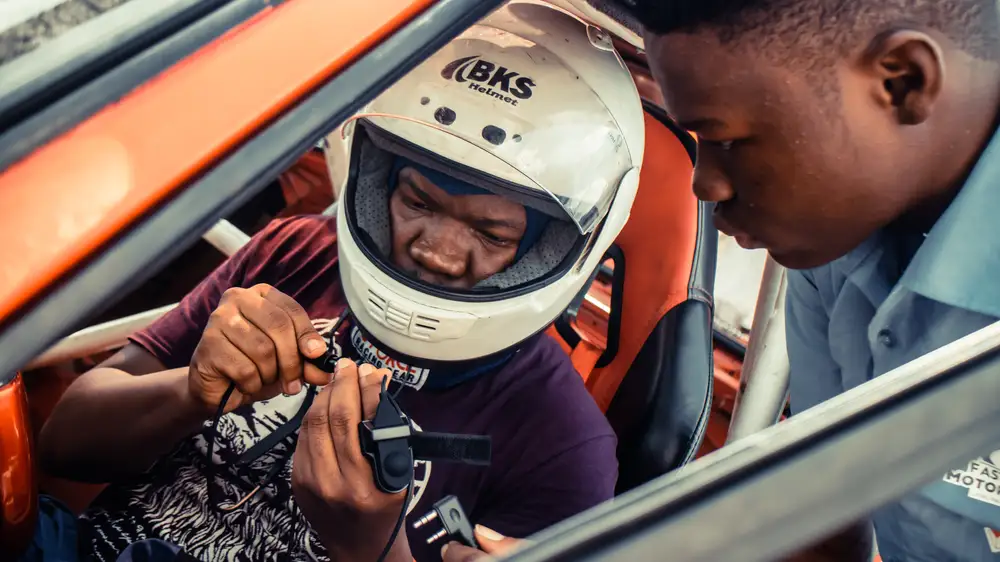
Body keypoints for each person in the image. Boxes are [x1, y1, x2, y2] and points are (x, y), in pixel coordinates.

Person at [36, 3, 646, 562]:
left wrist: (372, 551)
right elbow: (63, 444)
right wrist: (188, 394)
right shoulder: (293, 253)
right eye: (417, 200)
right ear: (379, 183)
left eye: (490, 233)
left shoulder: (562, 445)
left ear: (549, 250)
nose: (437, 251)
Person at [618, 0, 1000, 560]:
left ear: (902, 80)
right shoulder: (834, 246)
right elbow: (824, 514)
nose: (705, 186)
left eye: (727, 140)